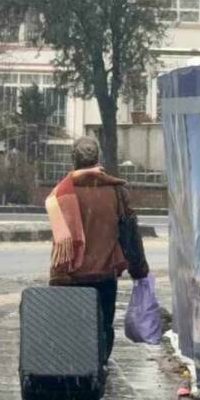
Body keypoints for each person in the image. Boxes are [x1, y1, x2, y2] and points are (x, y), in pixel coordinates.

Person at [46, 136, 149, 365]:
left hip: (71, 277)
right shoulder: (116, 191)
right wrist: (139, 270)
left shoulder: (61, 194)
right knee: (103, 327)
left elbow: (59, 241)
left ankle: (77, 372)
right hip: (104, 275)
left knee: (73, 329)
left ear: (74, 159)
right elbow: (129, 235)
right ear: (97, 158)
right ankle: (98, 367)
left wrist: (57, 278)